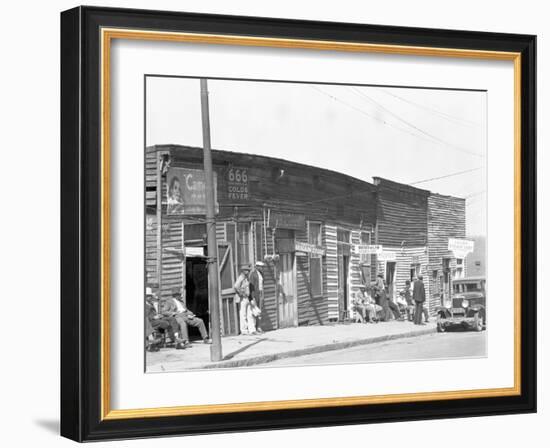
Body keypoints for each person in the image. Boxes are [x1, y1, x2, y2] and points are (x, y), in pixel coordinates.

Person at [234, 264, 256, 335]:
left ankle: (251, 329)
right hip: (242, 298)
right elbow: (236, 286)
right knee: (243, 314)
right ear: (243, 271)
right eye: (247, 270)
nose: (248, 271)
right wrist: (241, 293)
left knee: (249, 314)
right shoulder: (241, 277)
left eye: (248, 270)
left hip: (247, 297)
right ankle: (244, 330)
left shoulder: (246, 278)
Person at [249, 261, 265, 333]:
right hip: (255, 294)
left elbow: (262, 285)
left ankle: (259, 326)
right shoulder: (253, 274)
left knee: (260, 311)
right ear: (256, 267)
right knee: (255, 310)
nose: (261, 268)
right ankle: (254, 328)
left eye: (262, 267)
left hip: (260, 293)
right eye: (260, 266)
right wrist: (252, 297)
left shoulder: (261, 274)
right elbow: (251, 286)